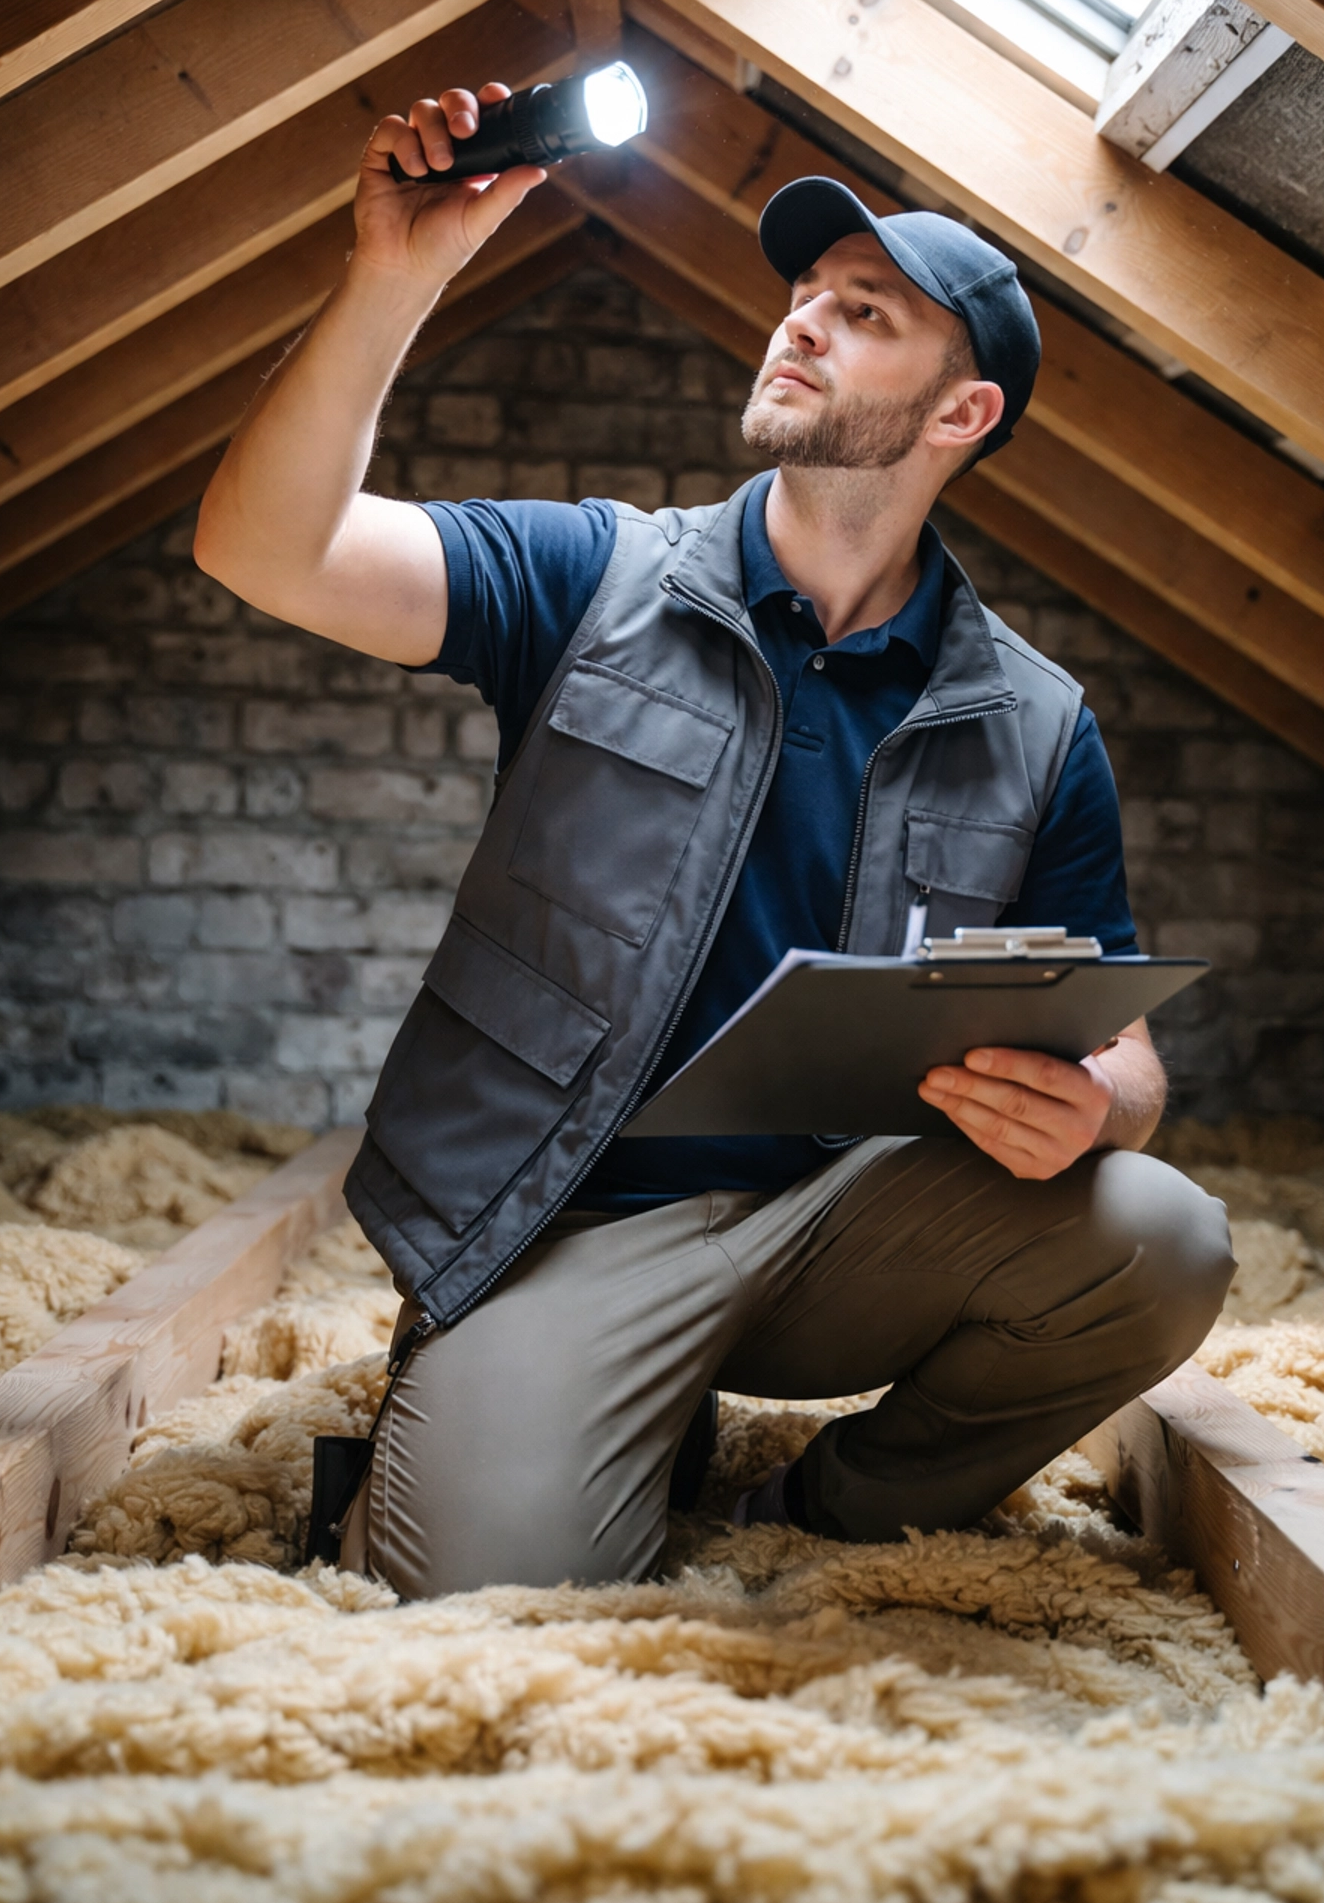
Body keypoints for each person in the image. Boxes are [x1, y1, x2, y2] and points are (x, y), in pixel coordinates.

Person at [195, 80, 1234, 1599]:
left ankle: (831, 1522)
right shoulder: (592, 579)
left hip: (837, 1225)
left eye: (863, 313)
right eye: (804, 298)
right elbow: (260, 547)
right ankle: (571, 1427)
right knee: (494, 1603)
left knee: (1163, 1238)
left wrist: (1099, 1108)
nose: (799, 324)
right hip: (568, 1229)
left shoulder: (1032, 719)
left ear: (962, 414)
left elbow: (1120, 1031)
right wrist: (397, 273)